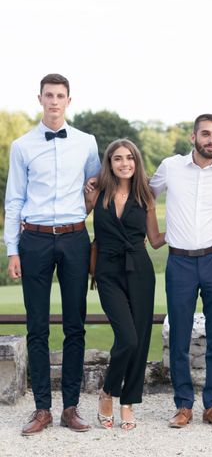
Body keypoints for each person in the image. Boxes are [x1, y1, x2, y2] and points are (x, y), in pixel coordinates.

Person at [4, 74, 101, 435]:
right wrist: (12, 250)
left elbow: (94, 193)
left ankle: (71, 408)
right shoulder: (22, 145)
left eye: (61, 96)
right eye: (49, 95)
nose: (55, 101)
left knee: (75, 325)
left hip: (75, 238)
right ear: (40, 98)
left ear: (69, 101)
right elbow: (13, 200)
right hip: (36, 240)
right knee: (37, 327)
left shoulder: (87, 143)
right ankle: (42, 408)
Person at [150, 113, 212, 429]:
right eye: (206, 134)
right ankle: (183, 405)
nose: (211, 140)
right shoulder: (170, 167)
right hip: (180, 263)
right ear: (193, 137)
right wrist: (155, 236)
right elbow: (143, 197)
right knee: (179, 336)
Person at [84, 139, 165, 430]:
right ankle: (107, 392)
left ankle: (127, 402)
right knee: (127, 337)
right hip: (107, 271)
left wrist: (191, 228)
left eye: (129, 158)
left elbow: (155, 240)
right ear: (110, 163)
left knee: (139, 341)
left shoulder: (146, 197)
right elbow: (75, 217)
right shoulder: (97, 194)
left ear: (136, 161)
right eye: (117, 158)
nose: (124, 163)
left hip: (140, 271)